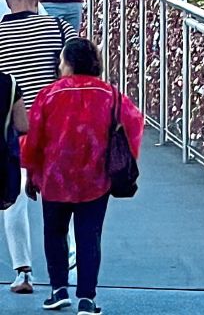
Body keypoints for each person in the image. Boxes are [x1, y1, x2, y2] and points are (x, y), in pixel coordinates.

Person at [22, 36, 143, 314]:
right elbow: (134, 123)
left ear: (69, 63)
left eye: (62, 60)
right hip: (96, 177)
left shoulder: (49, 94)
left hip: (55, 177)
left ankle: (58, 290)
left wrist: (31, 172)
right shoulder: (110, 94)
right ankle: (87, 298)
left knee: (54, 233)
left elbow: (34, 137)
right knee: (89, 236)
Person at [0, 0, 76, 296]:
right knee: (59, 198)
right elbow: (78, 70)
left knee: (14, 203)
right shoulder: (60, 28)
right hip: (53, 129)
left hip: (11, 130)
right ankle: (67, 263)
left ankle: (23, 273)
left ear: (7, 3)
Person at [0, 68, 30, 292]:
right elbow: (22, 125)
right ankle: (23, 272)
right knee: (15, 209)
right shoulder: (9, 83)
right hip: (3, 163)